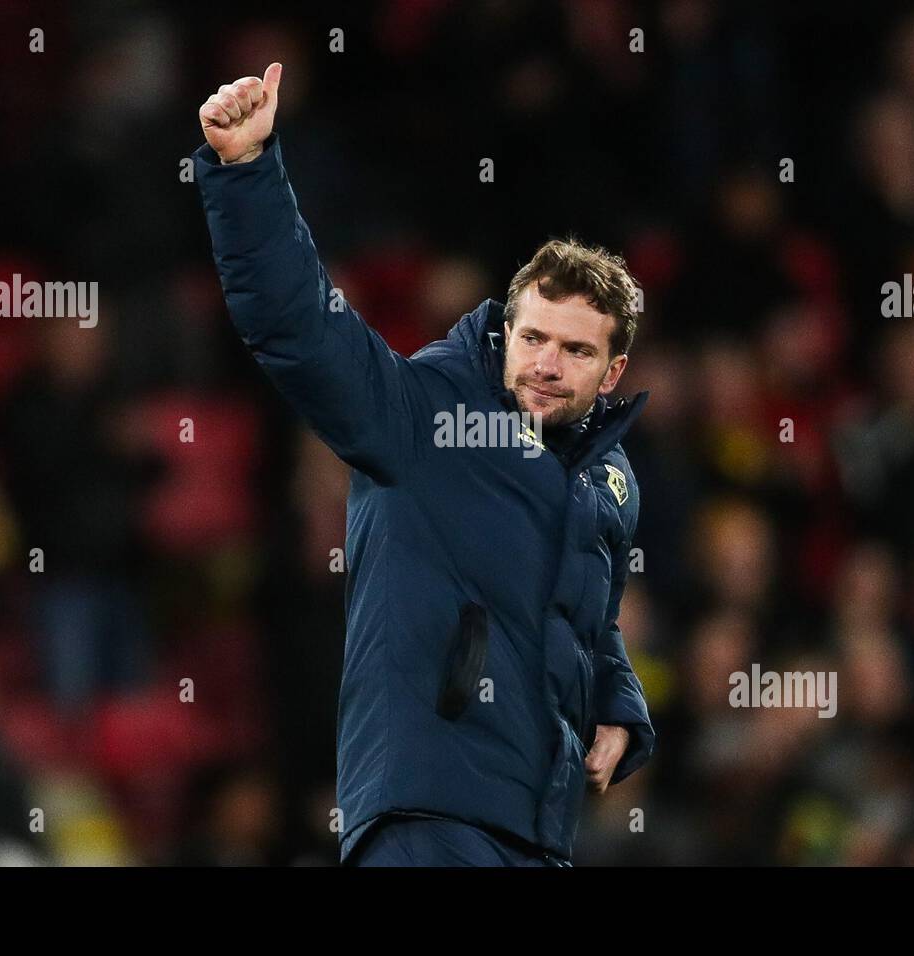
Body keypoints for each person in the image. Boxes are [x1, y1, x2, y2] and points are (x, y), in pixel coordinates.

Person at [194, 63, 654, 866]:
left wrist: (617, 706)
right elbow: (300, 325)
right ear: (506, 330)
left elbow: (587, 618)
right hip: (425, 812)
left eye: (576, 350)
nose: (547, 362)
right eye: (534, 337)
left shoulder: (607, 479)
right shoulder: (421, 418)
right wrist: (247, 171)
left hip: (537, 830)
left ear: (612, 372)